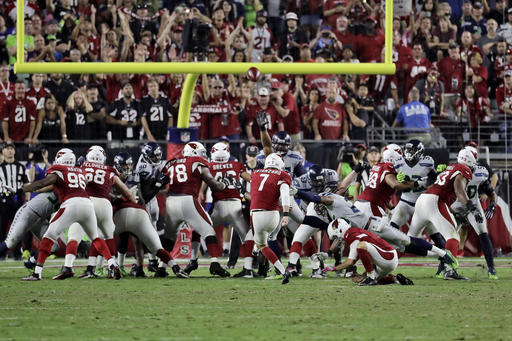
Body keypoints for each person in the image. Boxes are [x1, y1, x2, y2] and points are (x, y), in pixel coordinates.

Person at [20, 148, 121, 281]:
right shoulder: (79, 170)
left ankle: (37, 273)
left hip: (71, 204)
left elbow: (41, 183)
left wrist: (20, 189)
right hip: (87, 204)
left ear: (59, 159)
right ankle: (112, 263)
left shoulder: (59, 170)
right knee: (95, 237)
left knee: (49, 236)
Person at [52, 146, 137, 280]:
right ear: (103, 158)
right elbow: (125, 191)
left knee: (74, 236)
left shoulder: (81, 167)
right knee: (107, 236)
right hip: (105, 204)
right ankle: (110, 266)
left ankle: (68, 267)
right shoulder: (110, 170)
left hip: (87, 202)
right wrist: (134, 202)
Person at [161, 141, 231, 277]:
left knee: (169, 237)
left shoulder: (171, 163)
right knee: (208, 228)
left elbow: (162, 184)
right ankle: (215, 263)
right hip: (187, 200)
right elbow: (213, 183)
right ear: (194, 152)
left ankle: (161, 267)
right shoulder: (197, 161)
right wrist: (224, 184)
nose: (203, 156)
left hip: (170, 201)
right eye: (201, 153)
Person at [407, 148, 479, 280]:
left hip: (423, 200)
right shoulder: (464, 169)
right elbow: (459, 189)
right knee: (453, 237)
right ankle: (449, 270)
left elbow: (444, 192)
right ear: (471, 160)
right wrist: (472, 208)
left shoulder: (450, 168)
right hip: (434, 201)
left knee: (407, 242)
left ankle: (381, 260)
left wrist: (455, 212)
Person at [206, 142, 255, 278]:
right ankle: (248, 268)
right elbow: (251, 179)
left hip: (218, 206)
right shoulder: (236, 165)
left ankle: (200, 261)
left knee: (203, 230)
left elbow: (200, 191)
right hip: (236, 205)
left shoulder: (208, 166)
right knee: (247, 236)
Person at [451, 146, 498, 279]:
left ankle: (491, 268)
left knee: (483, 233)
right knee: (449, 236)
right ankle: (443, 268)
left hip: (473, 206)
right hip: (455, 207)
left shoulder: (481, 172)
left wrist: (492, 204)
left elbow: (491, 193)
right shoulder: (452, 170)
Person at [250, 153, 292, 284]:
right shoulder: (282, 175)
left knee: (262, 244)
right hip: (273, 216)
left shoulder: (255, 173)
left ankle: (279, 269)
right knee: (266, 240)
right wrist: (285, 214)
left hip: (256, 215)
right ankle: (283, 271)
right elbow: (285, 195)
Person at [325, 218, 399, 286]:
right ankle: (396, 279)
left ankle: (370, 278)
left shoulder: (351, 235)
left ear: (340, 230)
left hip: (387, 256)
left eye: (335, 236)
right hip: (387, 258)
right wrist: (363, 276)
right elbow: (368, 259)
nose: (337, 239)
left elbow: (350, 262)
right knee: (378, 281)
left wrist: (335, 268)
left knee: (361, 246)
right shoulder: (354, 231)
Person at [0, 141, 30, 259]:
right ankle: (2, 253)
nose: (10, 150)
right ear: (3, 151)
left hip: (17, 201)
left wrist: (27, 200)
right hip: (2, 201)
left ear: (14, 151)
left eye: (11, 148)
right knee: (1, 228)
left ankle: (17, 253)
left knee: (18, 228)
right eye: (7, 148)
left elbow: (27, 185)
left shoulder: (21, 167)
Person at [2, 80, 36, 144]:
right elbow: (5, 120)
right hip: (11, 137)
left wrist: (30, 137)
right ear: (14, 89)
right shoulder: (8, 102)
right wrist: (6, 137)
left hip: (25, 138)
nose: (20, 90)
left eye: (22, 88)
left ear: (25, 89)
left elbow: (32, 121)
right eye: (18, 88)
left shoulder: (31, 102)